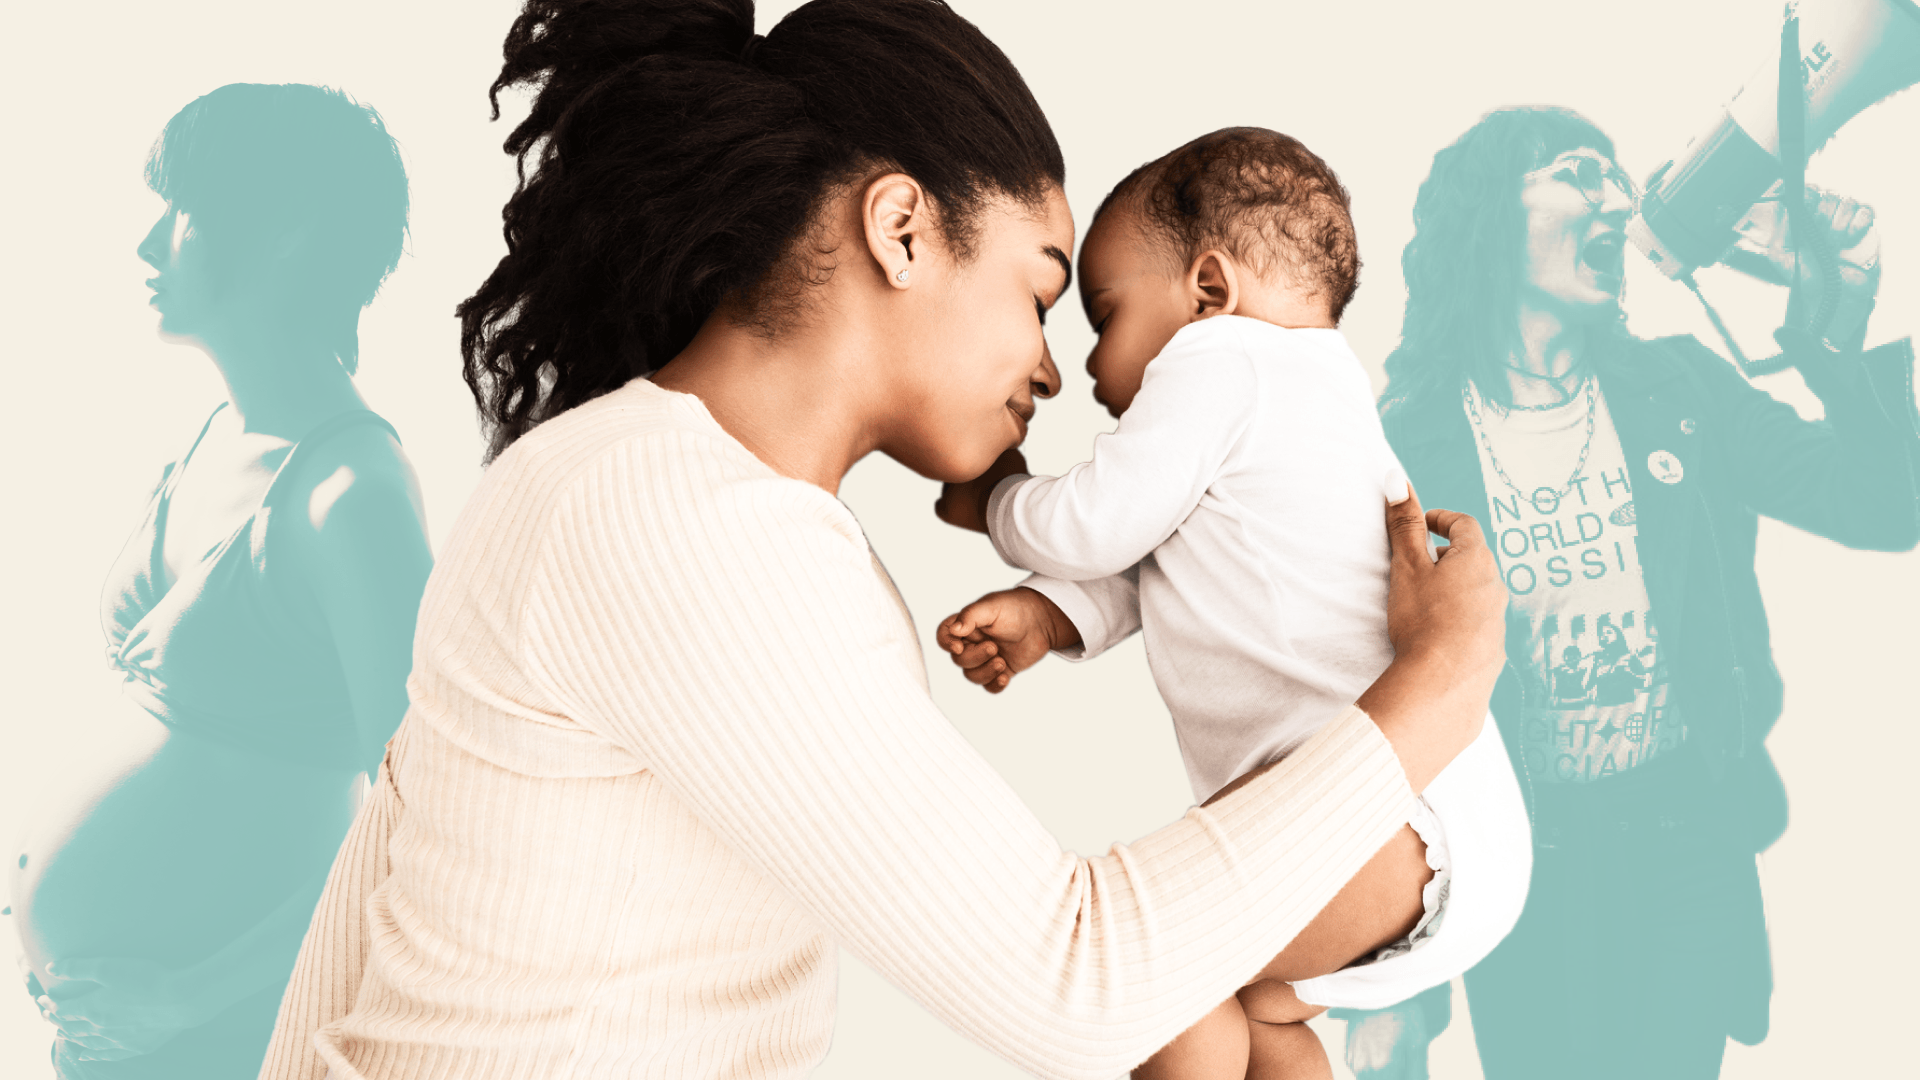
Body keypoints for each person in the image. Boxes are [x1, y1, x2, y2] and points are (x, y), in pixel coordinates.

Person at [255, 4, 1508, 1079]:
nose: (1059, 374)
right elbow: (1075, 983)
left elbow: (354, 941)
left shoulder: (616, 478)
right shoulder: (691, 527)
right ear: (902, 229)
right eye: (1039, 289)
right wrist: (1431, 696)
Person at [931, 127, 1529, 1080]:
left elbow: (1096, 522)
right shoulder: (1319, 402)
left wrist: (1000, 497)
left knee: (1152, 974)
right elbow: (1164, 558)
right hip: (1453, 826)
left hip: (1386, 817)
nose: (1088, 371)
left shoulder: (1223, 364)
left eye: (1106, 315)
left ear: (1209, 292)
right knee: (1259, 1018)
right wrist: (1051, 617)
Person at [1346, 105, 1920, 1079]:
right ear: (1492, 215)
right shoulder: (1405, 447)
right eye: (1580, 173)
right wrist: (1395, 981)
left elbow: (1884, 505)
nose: (1617, 197)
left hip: (1686, 842)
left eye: (1618, 178)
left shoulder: (1681, 391)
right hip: (1519, 868)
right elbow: (1371, 716)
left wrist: (1841, 313)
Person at [9, 83, 430, 1079]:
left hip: (220, 1039)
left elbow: (425, 822)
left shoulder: (349, 495)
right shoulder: (213, 442)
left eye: (184, 213)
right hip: (126, 1040)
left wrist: (176, 998)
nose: (151, 247)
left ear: (284, 234)